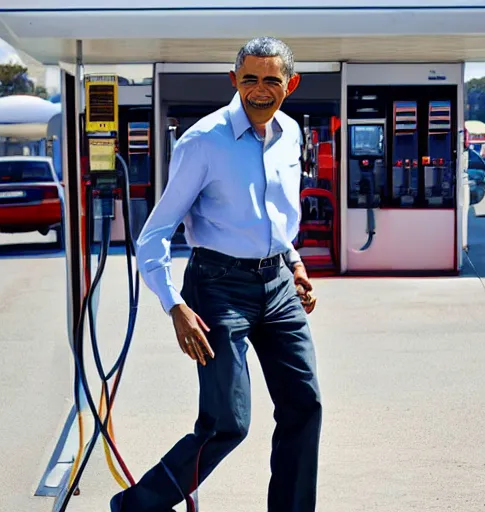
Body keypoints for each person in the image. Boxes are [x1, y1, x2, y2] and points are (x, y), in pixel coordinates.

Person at [111, 36, 322, 512]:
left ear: (292, 84)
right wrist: (174, 306)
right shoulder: (203, 141)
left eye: (272, 80)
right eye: (249, 79)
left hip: (279, 288)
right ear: (234, 80)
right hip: (217, 286)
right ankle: (137, 506)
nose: (260, 90)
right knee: (228, 422)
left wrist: (297, 265)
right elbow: (154, 234)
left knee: (304, 406)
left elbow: (277, 219)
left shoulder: (291, 133)